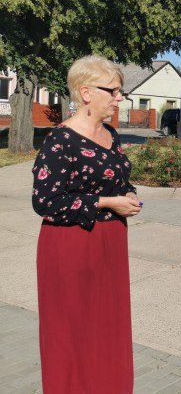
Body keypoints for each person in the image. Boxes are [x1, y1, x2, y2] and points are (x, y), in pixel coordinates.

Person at [32, 55, 142, 393]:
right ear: (86, 93)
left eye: (121, 92)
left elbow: (118, 179)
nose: (119, 98)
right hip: (71, 247)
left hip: (110, 243)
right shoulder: (60, 140)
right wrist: (107, 203)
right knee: (73, 332)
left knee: (107, 329)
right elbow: (46, 202)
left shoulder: (111, 134)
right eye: (113, 91)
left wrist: (129, 195)